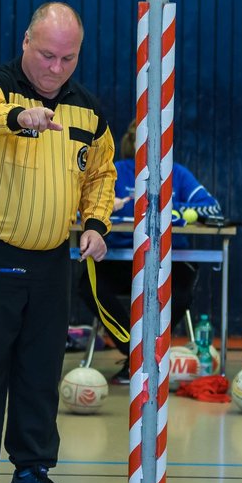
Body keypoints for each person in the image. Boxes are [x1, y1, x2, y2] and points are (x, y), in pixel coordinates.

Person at [0, 2, 117, 483]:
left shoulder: (88, 111)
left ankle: (31, 472)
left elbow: (101, 173)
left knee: (40, 367)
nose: (55, 68)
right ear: (25, 43)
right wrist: (18, 117)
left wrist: (96, 223)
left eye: (68, 58)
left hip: (49, 256)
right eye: (46, 55)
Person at [75, 125, 224, 382]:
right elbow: (80, 209)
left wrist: (169, 209)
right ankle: (137, 355)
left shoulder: (177, 174)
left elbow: (212, 209)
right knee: (90, 286)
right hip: (120, 260)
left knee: (179, 294)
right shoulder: (116, 171)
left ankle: (140, 359)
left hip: (169, 261)